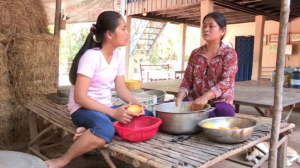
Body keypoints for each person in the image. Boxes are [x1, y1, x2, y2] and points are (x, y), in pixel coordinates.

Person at [45, 11, 153, 168]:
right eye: (123, 29)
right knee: (105, 128)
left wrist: (138, 105)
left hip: (105, 109)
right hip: (83, 109)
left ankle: (89, 131)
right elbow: (79, 98)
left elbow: (121, 88)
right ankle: (63, 159)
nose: (127, 33)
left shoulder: (117, 55)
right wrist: (113, 113)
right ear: (109, 34)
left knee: (147, 115)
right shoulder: (91, 57)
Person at [175, 12, 238, 118]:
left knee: (226, 112)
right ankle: (200, 117)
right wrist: (180, 98)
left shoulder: (229, 53)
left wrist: (205, 97)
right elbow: (187, 80)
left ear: (222, 31)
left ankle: (194, 117)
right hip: (195, 100)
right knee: (170, 106)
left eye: (211, 26)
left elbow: (226, 82)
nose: (205, 29)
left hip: (218, 102)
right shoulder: (196, 53)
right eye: (204, 26)